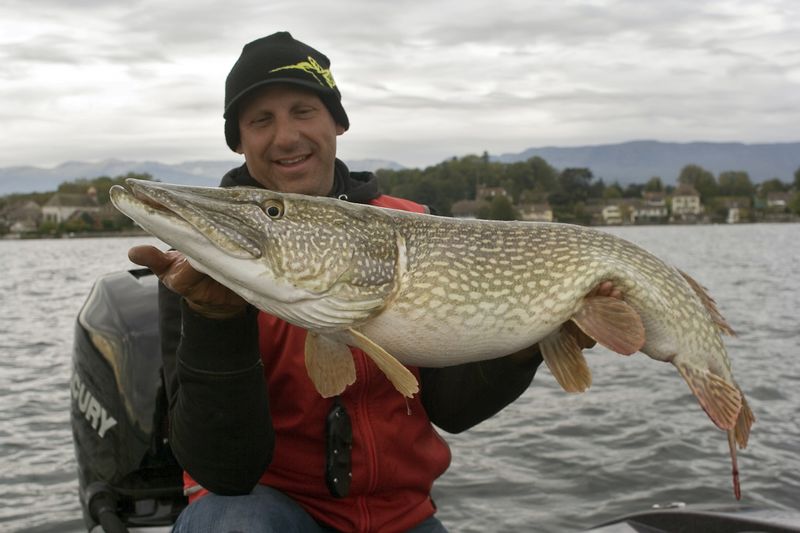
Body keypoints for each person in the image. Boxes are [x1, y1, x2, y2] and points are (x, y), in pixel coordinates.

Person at [129, 31, 615, 533]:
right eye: (260, 120)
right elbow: (225, 470)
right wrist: (217, 320)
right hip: (266, 508)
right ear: (238, 140)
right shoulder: (200, 267)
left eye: (303, 110)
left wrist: (528, 343)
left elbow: (451, 408)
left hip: (397, 515)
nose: (287, 136)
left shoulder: (419, 225)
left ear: (337, 121)